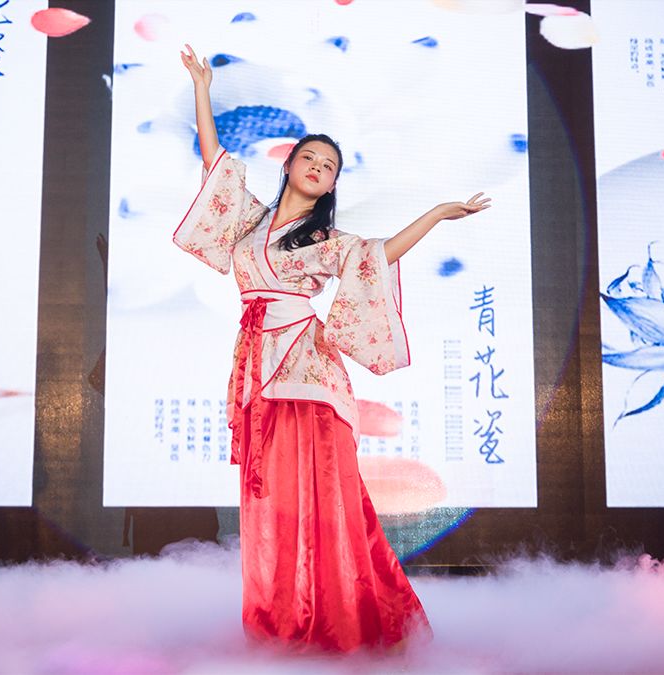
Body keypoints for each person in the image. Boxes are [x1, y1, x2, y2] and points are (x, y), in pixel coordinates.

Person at [175, 44, 491, 652]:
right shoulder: (249, 222)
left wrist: (435, 214)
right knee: (271, 503)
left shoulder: (327, 240)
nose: (318, 167)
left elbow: (379, 254)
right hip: (257, 369)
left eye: (330, 165)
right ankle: (282, 622)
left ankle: (340, 621)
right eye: (310, 157)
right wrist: (202, 89)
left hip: (308, 371)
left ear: (334, 184)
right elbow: (215, 163)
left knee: (322, 499)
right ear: (289, 164)